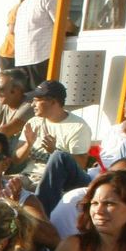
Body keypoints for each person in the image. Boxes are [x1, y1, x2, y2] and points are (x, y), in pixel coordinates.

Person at [14, 80, 93, 212]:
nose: (32, 104)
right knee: (0, 185)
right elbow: (16, 159)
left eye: (37, 100)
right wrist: (28, 144)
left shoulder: (78, 127)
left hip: (56, 183)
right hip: (28, 177)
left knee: (57, 157)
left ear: (53, 102)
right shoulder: (33, 122)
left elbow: (81, 165)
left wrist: (54, 151)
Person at [13, 0, 65, 90]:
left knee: (26, 97)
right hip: (40, 55)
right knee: (42, 96)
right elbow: (63, 24)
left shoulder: (25, 3)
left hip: (22, 57)